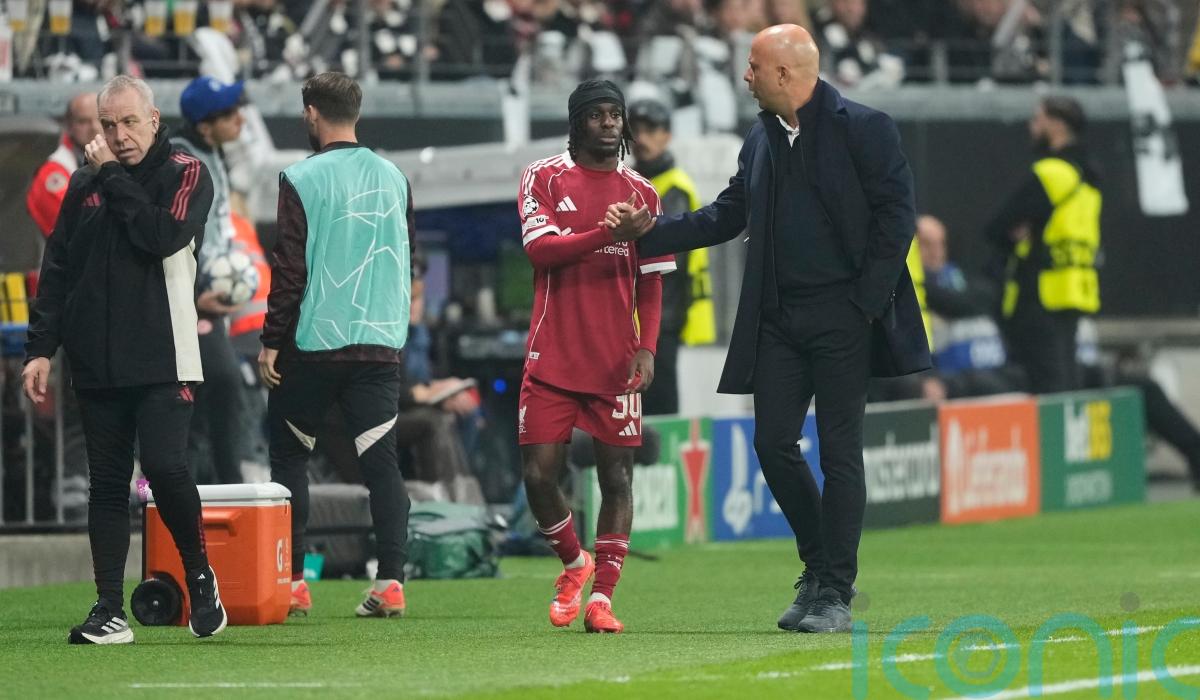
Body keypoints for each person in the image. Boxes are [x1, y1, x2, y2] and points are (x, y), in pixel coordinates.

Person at [607, 24, 926, 633]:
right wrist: (651, 230)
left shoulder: (866, 128)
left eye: (754, 66)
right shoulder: (761, 138)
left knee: (840, 452)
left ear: (784, 73)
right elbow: (728, 214)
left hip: (844, 319)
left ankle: (835, 592)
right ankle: (819, 567)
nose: (745, 76)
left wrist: (863, 305)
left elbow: (897, 219)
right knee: (772, 445)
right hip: (779, 320)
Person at [21, 75, 226, 644]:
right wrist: (41, 349)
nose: (118, 135)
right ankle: (109, 608)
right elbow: (58, 268)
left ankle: (199, 573)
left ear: (154, 120)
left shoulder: (186, 173)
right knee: (107, 484)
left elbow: (161, 235)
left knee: (165, 467)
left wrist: (110, 173)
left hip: (164, 355)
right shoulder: (83, 182)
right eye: (107, 126)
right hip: (96, 360)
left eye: (129, 122)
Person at [517, 79, 675, 634]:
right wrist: (605, 232)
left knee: (617, 479)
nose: (609, 123)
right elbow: (540, 250)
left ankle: (602, 599)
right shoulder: (543, 176)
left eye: (616, 114)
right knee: (538, 476)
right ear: (576, 123)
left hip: (615, 363)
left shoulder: (643, 193)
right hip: (553, 357)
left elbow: (651, 282)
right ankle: (574, 562)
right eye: (597, 115)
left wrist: (647, 347)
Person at [258, 72, 414, 619]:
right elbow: (407, 256)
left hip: (314, 342)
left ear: (310, 113)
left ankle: (293, 582)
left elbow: (289, 268)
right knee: (382, 466)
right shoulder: (395, 177)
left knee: (290, 458)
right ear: (357, 112)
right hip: (379, 344)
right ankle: (391, 581)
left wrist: (271, 340)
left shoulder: (300, 177)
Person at [985, 96, 1100, 395]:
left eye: (1038, 120)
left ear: (1056, 125)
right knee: (1068, 382)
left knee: (1046, 387)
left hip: (1039, 293)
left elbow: (997, 227)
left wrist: (1020, 232)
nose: (1031, 126)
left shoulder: (1052, 173)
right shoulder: (1090, 177)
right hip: (1074, 291)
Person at [172, 76, 248, 485]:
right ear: (204, 125)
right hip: (186, 302)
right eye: (229, 113)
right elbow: (173, 236)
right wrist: (194, 294)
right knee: (221, 384)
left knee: (206, 399)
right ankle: (223, 486)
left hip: (205, 301)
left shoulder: (211, 152)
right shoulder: (182, 162)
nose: (241, 119)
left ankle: (203, 490)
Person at [628, 98, 716, 416]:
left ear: (667, 135)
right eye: (636, 131)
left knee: (658, 402)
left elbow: (666, 251)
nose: (642, 138)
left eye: (651, 130)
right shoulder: (632, 181)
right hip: (632, 315)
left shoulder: (675, 187)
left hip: (661, 316)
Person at [26, 92, 101, 237]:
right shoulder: (52, 173)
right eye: (84, 121)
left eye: (100, 119)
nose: (95, 127)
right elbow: (75, 229)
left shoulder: (117, 160)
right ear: (69, 126)